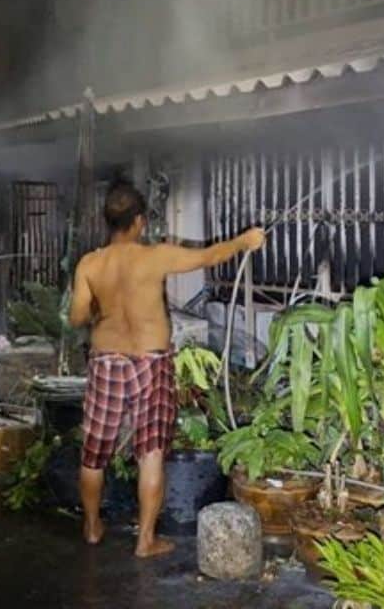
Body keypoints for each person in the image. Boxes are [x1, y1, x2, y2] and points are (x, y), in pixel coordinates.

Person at [67, 183, 264, 558]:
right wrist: (245, 241)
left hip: (106, 359)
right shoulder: (155, 257)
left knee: (94, 453)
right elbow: (208, 256)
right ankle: (145, 540)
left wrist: (100, 310)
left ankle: (92, 527)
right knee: (151, 452)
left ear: (108, 221)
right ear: (139, 221)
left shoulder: (90, 264)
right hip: (151, 360)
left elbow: (76, 317)